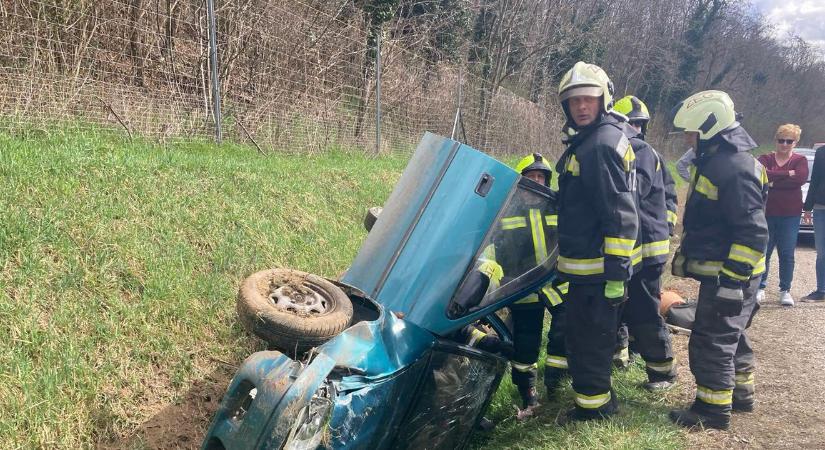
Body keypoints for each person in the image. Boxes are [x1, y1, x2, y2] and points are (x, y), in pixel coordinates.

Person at [668, 90, 768, 430]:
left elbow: (753, 233)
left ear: (709, 127)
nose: (687, 139)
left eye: (691, 133)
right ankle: (741, 395)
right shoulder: (721, 161)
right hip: (732, 274)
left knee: (712, 340)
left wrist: (732, 281)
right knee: (732, 335)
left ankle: (711, 411)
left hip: (730, 275)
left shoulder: (733, 168)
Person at [554, 61, 639, 422]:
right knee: (590, 335)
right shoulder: (596, 139)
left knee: (588, 339)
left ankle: (594, 409)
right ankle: (599, 397)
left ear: (603, 100)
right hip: (590, 267)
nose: (582, 107)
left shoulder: (599, 146)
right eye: (574, 102)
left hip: (597, 269)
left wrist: (617, 273)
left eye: (589, 99)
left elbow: (618, 214)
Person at [612, 95, 678, 391]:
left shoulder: (641, 153)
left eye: (640, 124)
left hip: (645, 250)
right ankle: (622, 355)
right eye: (632, 123)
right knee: (621, 304)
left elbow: (634, 198)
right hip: (634, 247)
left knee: (645, 310)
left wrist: (666, 228)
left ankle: (662, 373)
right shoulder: (640, 152)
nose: (636, 129)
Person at [505, 153, 569, 418]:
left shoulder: (556, 206)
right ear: (520, 182)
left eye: (540, 177)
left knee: (563, 333)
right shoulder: (506, 211)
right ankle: (527, 393)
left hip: (556, 285)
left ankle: (557, 384)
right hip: (523, 289)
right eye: (530, 177)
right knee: (525, 344)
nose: (536, 182)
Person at [755, 124, 809, 306]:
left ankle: (785, 290)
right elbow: (761, 176)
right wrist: (787, 174)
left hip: (790, 214)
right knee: (764, 251)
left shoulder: (800, 160)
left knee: (787, 253)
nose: (784, 144)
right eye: (781, 140)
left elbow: (800, 179)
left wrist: (773, 181)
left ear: (795, 142)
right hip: (767, 212)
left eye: (789, 141)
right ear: (776, 140)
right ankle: (759, 287)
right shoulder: (765, 158)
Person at [803, 143, 825, 302]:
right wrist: (808, 208)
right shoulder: (821, 152)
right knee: (822, 252)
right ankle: (821, 290)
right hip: (820, 208)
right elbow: (815, 178)